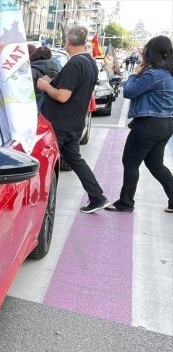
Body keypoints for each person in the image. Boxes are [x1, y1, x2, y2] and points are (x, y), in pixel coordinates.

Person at [37, 26, 108, 213]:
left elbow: (62, 96)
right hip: (74, 122)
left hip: (59, 124)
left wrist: (45, 86)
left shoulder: (75, 64)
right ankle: (97, 197)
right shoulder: (90, 63)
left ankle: (37, 206)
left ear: (68, 43)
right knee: (75, 160)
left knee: (43, 164)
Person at [106, 36, 173, 213]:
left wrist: (134, 74)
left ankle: (126, 203)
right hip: (165, 124)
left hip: (147, 126)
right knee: (156, 165)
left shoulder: (154, 75)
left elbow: (129, 92)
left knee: (130, 163)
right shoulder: (168, 73)